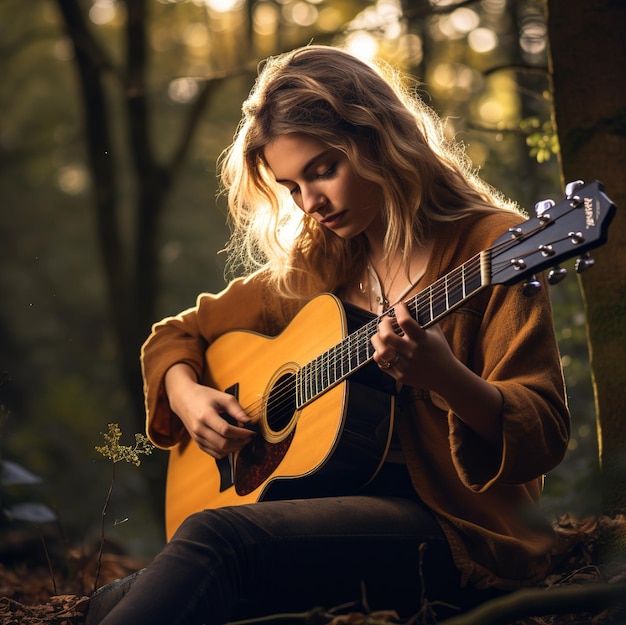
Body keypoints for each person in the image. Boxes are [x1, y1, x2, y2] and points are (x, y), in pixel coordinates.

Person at [98, 45, 570, 625]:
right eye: (292, 186)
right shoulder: (321, 263)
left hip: (457, 531)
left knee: (212, 545)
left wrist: (444, 377)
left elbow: (542, 428)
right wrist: (186, 394)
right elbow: (178, 333)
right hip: (328, 518)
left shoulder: (495, 248)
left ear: (380, 139)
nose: (310, 204)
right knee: (111, 604)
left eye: (323, 170)